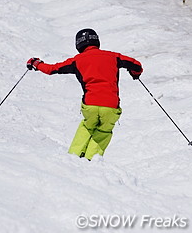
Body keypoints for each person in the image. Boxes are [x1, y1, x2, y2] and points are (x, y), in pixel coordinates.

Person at [26, 28, 143, 160]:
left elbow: (51, 69)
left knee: (87, 127)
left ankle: (74, 157)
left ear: (78, 45)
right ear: (97, 40)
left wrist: (36, 63)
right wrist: (135, 73)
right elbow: (136, 65)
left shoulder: (77, 60)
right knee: (103, 131)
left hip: (90, 105)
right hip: (111, 106)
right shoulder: (113, 57)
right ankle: (91, 160)